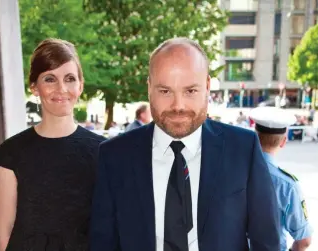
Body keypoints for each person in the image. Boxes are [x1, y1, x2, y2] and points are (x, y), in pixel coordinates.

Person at [90, 37, 280, 251]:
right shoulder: (114, 156)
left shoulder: (244, 149)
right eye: (165, 91)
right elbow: (102, 243)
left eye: (190, 91)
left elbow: (267, 241)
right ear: (149, 87)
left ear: (207, 86)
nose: (178, 106)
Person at [0, 38, 105, 251]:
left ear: (80, 85)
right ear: (34, 87)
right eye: (50, 79)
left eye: (70, 78)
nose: (61, 88)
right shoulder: (11, 153)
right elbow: (5, 232)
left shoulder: (105, 151)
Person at [250, 107, 313, 251]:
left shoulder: (231, 172)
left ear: (254, 137)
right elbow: (304, 241)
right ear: (283, 142)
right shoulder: (288, 185)